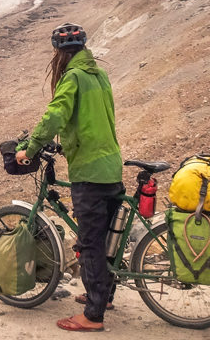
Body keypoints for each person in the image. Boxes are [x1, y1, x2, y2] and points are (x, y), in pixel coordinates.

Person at [16, 22, 123, 332]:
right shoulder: (98, 75)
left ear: (59, 54)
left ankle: (93, 316)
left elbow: (56, 114)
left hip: (89, 170)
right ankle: (104, 296)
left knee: (90, 243)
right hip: (111, 165)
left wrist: (31, 148)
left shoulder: (73, 77)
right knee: (105, 241)